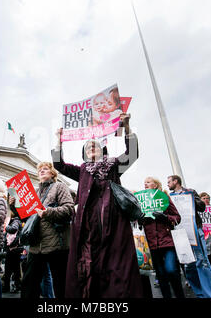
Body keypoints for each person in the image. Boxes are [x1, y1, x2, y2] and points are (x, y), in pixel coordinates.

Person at [53, 113, 143, 298]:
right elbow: (58, 164)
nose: (91, 146)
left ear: (103, 150)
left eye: (95, 145)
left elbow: (132, 153)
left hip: (115, 223)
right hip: (87, 226)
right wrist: (58, 140)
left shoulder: (114, 165)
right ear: (84, 154)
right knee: (89, 264)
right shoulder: (82, 170)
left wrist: (126, 127)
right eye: (88, 146)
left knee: (117, 263)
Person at [19, 162, 74, 299]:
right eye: (40, 170)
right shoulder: (35, 193)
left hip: (56, 244)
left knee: (60, 284)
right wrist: (15, 205)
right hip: (36, 245)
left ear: (52, 173)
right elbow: (27, 217)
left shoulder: (59, 186)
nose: (42, 171)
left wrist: (47, 212)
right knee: (29, 284)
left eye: (45, 169)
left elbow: (69, 210)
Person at [167, 175, 211, 298]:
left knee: (201, 261)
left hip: (195, 230)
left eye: (169, 181)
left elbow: (202, 208)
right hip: (180, 233)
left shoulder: (190, 192)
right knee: (188, 264)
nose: (168, 184)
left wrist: (192, 199)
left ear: (176, 181)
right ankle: (200, 293)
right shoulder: (170, 197)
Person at [142, 177, 185, 298]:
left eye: (148, 182)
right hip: (152, 244)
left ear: (155, 185)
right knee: (161, 275)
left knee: (171, 270)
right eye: (144, 182)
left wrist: (166, 218)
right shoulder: (142, 202)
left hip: (167, 241)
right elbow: (137, 221)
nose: (145, 184)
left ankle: (179, 295)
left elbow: (177, 217)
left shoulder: (164, 197)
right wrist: (141, 219)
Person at [2, 210, 22, 293]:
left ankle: (8, 286)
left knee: (9, 268)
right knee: (15, 268)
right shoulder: (16, 221)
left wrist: (6, 226)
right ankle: (16, 285)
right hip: (15, 248)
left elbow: (13, 229)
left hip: (14, 248)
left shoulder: (16, 221)